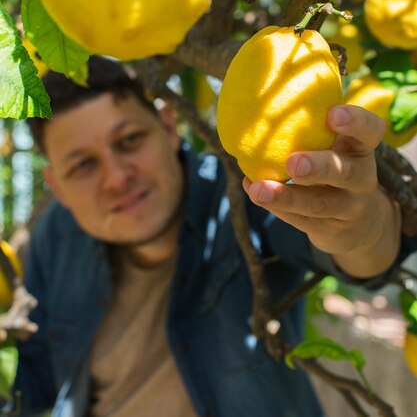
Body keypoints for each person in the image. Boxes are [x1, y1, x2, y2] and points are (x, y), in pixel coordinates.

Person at [13, 55, 409, 417]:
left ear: (168, 127)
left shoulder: (241, 193)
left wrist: (364, 224)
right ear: (57, 187)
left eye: (129, 140)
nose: (117, 178)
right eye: (83, 165)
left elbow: (362, 252)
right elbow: (35, 385)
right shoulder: (54, 240)